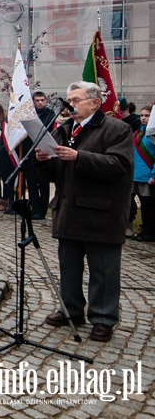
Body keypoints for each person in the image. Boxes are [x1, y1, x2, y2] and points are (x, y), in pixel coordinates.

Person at [35, 81, 133, 343]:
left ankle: (103, 318)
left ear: (95, 102)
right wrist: (43, 162)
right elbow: (57, 172)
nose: (70, 104)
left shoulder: (117, 129)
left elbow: (119, 165)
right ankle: (71, 310)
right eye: (69, 99)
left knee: (103, 270)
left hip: (101, 213)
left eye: (76, 99)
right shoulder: (64, 129)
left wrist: (79, 157)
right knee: (69, 266)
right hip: (68, 210)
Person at [24, 91, 56, 219]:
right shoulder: (29, 115)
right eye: (37, 100)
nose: (40, 102)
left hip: (43, 153)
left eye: (42, 100)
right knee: (31, 183)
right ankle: (34, 208)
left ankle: (42, 210)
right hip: (30, 152)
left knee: (43, 183)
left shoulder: (50, 114)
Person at [131, 105, 155, 242]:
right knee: (144, 205)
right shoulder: (139, 131)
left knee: (149, 205)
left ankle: (151, 230)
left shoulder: (152, 133)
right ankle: (145, 228)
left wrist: (153, 174)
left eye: (147, 115)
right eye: (142, 115)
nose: (144, 118)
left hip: (148, 175)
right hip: (138, 174)